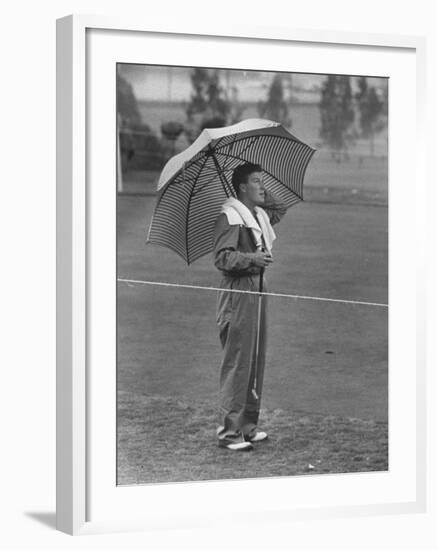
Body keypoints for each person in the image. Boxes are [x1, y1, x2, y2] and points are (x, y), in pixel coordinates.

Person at [213, 163, 287, 451]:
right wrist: (251, 259)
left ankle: (247, 424)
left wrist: (263, 194)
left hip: (258, 286)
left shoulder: (256, 215)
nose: (262, 185)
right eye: (256, 181)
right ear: (242, 187)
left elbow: (279, 209)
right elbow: (222, 259)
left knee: (255, 357)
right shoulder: (230, 217)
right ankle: (228, 433)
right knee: (238, 359)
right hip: (239, 290)